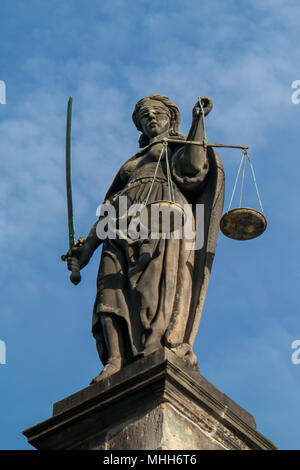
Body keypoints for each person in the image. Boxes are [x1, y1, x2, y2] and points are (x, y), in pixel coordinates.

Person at [66, 94, 224, 384]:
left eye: (157, 113)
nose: (151, 118)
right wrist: (86, 250)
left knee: (152, 284)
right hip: (121, 219)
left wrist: (198, 121)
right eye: (144, 116)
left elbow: (193, 165)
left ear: (170, 117)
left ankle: (154, 346)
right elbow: (110, 207)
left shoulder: (177, 146)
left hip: (163, 213)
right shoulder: (134, 163)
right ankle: (115, 360)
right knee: (109, 289)